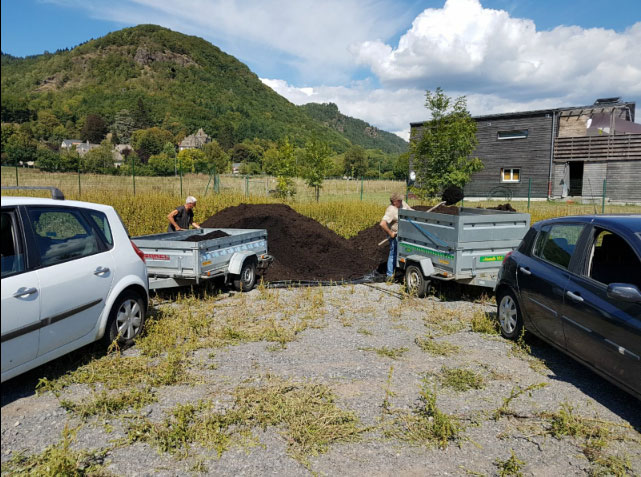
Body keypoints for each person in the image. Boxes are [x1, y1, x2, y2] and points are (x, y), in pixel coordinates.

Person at [380, 192, 413, 280]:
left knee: (405, 253)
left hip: (406, 234)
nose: (401, 201)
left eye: (401, 199)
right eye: (399, 200)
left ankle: (403, 272)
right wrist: (391, 233)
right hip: (396, 235)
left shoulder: (403, 204)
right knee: (394, 254)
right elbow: (382, 224)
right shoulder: (391, 210)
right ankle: (390, 275)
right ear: (394, 201)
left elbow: (412, 211)